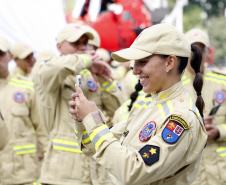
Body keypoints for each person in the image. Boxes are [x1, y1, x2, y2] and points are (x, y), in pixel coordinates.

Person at [69, 23, 207, 185]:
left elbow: (132, 171)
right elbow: (92, 147)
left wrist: (93, 120)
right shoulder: (147, 104)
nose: (134, 70)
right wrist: (83, 120)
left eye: (142, 62)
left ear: (170, 62)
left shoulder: (181, 118)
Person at [33, 23, 123, 185]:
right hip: (63, 174)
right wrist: (87, 60)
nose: (82, 47)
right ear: (59, 47)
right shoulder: (51, 72)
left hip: (98, 172)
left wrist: (102, 76)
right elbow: (52, 69)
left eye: (85, 44)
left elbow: (118, 110)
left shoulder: (91, 74)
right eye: (76, 43)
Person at [0, 36, 48, 184]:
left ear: (10, 56)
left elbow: (42, 129)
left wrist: (48, 159)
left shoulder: (26, 87)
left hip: (24, 173)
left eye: (0, 54)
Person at [183, 28, 226, 185]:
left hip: (221, 172)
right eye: (192, 49)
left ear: (209, 52)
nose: (198, 54)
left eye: (202, 49)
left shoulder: (223, 82)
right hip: (190, 175)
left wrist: (219, 131)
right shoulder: (173, 86)